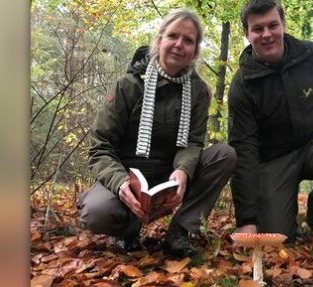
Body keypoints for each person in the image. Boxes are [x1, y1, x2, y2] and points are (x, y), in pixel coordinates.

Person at [79, 8, 236, 258]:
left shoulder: (198, 92)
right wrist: (120, 183)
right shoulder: (128, 85)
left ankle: (180, 231)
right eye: (173, 36)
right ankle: (128, 228)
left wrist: (183, 171)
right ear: (160, 40)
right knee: (96, 213)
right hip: (128, 173)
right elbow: (101, 146)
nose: (178, 44)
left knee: (224, 155)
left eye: (188, 40)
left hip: (168, 174)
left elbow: (193, 142)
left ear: (194, 51)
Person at [228, 0, 313, 240]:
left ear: (283, 24)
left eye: (273, 25)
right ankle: (279, 215)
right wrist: (246, 220)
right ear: (247, 34)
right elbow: (244, 149)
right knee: (276, 236)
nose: (267, 34)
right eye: (258, 29)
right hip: (273, 159)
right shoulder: (242, 85)